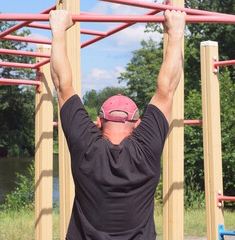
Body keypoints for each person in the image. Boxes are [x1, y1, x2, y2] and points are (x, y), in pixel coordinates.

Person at [49, 9, 186, 240]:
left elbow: (62, 86)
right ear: (138, 124)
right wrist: (175, 33)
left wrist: (58, 30)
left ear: (99, 122)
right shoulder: (146, 148)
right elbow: (167, 90)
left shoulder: (86, 146)